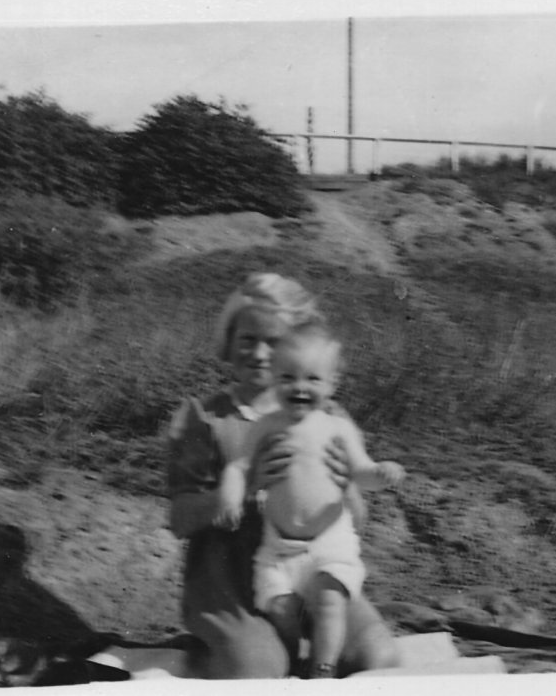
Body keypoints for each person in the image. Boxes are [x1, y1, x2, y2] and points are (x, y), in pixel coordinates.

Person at [167, 272, 401, 679]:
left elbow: (356, 520)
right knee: (261, 670)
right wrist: (241, 490)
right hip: (230, 579)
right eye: (247, 338)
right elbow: (180, 519)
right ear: (229, 339)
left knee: (378, 657)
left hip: (314, 569)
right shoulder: (205, 419)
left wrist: (346, 483)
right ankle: (211, 656)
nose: (259, 353)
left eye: (273, 342)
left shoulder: (328, 418)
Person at [215, 322, 405, 678]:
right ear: (273, 378)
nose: (299, 387)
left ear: (332, 384)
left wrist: (380, 474)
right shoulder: (266, 426)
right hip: (279, 549)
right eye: (288, 377)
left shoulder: (338, 428)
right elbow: (239, 467)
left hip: (329, 544)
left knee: (330, 599)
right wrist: (230, 497)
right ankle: (289, 659)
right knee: (281, 609)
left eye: (313, 379)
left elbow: (359, 471)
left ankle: (323, 669)